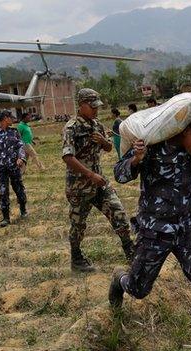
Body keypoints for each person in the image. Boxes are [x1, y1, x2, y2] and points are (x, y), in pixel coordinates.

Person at [108, 93, 191, 351]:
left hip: (188, 228)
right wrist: (136, 159)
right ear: (185, 129)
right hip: (155, 231)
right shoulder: (152, 145)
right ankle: (119, 279)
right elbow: (120, 174)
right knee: (138, 289)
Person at [62, 88, 135, 272]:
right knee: (78, 224)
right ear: (81, 106)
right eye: (92, 106)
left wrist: (103, 141)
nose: (96, 110)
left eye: (97, 106)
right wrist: (90, 175)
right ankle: (77, 259)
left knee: (118, 212)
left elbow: (109, 148)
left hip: (99, 183)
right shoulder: (71, 128)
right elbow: (68, 158)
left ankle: (130, 251)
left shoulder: (97, 125)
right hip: (79, 187)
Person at [0, 110, 28, 227]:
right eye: (10, 117)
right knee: (3, 192)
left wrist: (21, 158)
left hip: (14, 166)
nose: (12, 119)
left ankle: (23, 209)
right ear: (5, 118)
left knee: (19, 188)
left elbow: (20, 146)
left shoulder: (14, 132)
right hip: (1, 168)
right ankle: (5, 217)